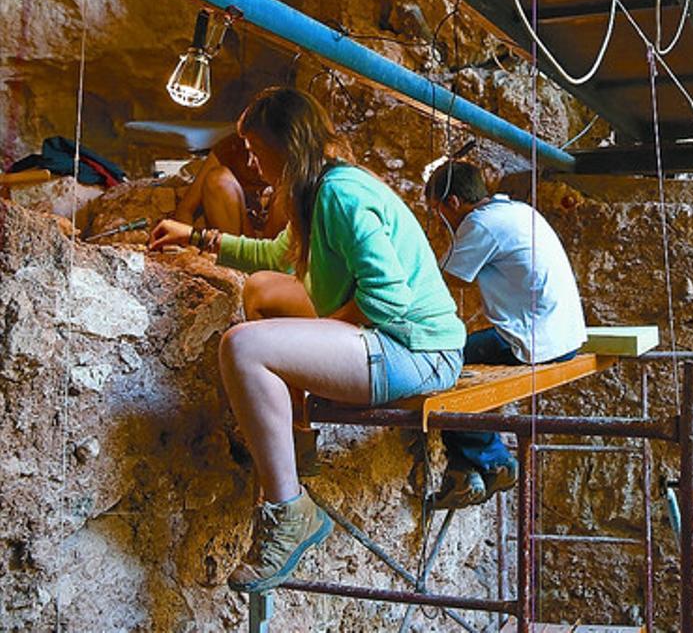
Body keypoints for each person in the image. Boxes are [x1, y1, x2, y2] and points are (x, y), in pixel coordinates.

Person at [148, 86, 466, 592]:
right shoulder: (317, 190)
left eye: (255, 148)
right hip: (391, 339)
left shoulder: (341, 193)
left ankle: (288, 508)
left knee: (245, 346)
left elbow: (389, 299)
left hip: (418, 350)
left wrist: (319, 332)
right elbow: (278, 255)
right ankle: (297, 440)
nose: (250, 160)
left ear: (285, 145)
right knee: (264, 291)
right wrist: (198, 237)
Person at [423, 160, 586, 510]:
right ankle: (467, 473)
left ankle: (494, 460)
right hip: (563, 335)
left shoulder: (481, 224)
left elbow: (445, 279)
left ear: (453, 202)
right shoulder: (514, 210)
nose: (443, 223)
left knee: (441, 361)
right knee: (465, 350)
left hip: (537, 340)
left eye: (439, 213)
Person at [173, 131, 287, 238]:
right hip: (239, 235)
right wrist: (190, 248)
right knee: (217, 178)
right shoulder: (231, 147)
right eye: (249, 151)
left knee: (286, 195)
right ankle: (230, 255)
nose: (250, 163)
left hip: (275, 244)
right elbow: (185, 209)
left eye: (257, 153)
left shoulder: (293, 155)